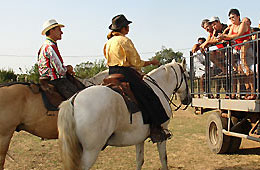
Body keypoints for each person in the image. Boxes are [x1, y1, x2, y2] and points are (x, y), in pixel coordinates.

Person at [103, 14, 171, 143]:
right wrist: (151, 62)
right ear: (122, 28)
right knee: (149, 95)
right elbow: (136, 62)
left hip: (111, 73)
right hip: (125, 73)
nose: (128, 28)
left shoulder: (108, 42)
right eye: (127, 26)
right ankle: (156, 129)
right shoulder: (124, 40)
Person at [38, 19, 85, 99]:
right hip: (57, 81)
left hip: (46, 80)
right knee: (79, 98)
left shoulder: (44, 46)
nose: (61, 32)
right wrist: (68, 68)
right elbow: (61, 71)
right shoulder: (51, 47)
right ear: (52, 31)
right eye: (59, 30)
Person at [218, 9, 255, 99]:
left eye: (233, 17)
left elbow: (238, 35)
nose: (232, 19)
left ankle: (253, 92)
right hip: (239, 50)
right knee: (243, 72)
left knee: (248, 70)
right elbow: (229, 37)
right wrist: (223, 37)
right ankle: (248, 92)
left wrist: (225, 37)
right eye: (230, 18)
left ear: (238, 16)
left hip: (246, 50)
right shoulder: (232, 26)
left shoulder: (243, 24)